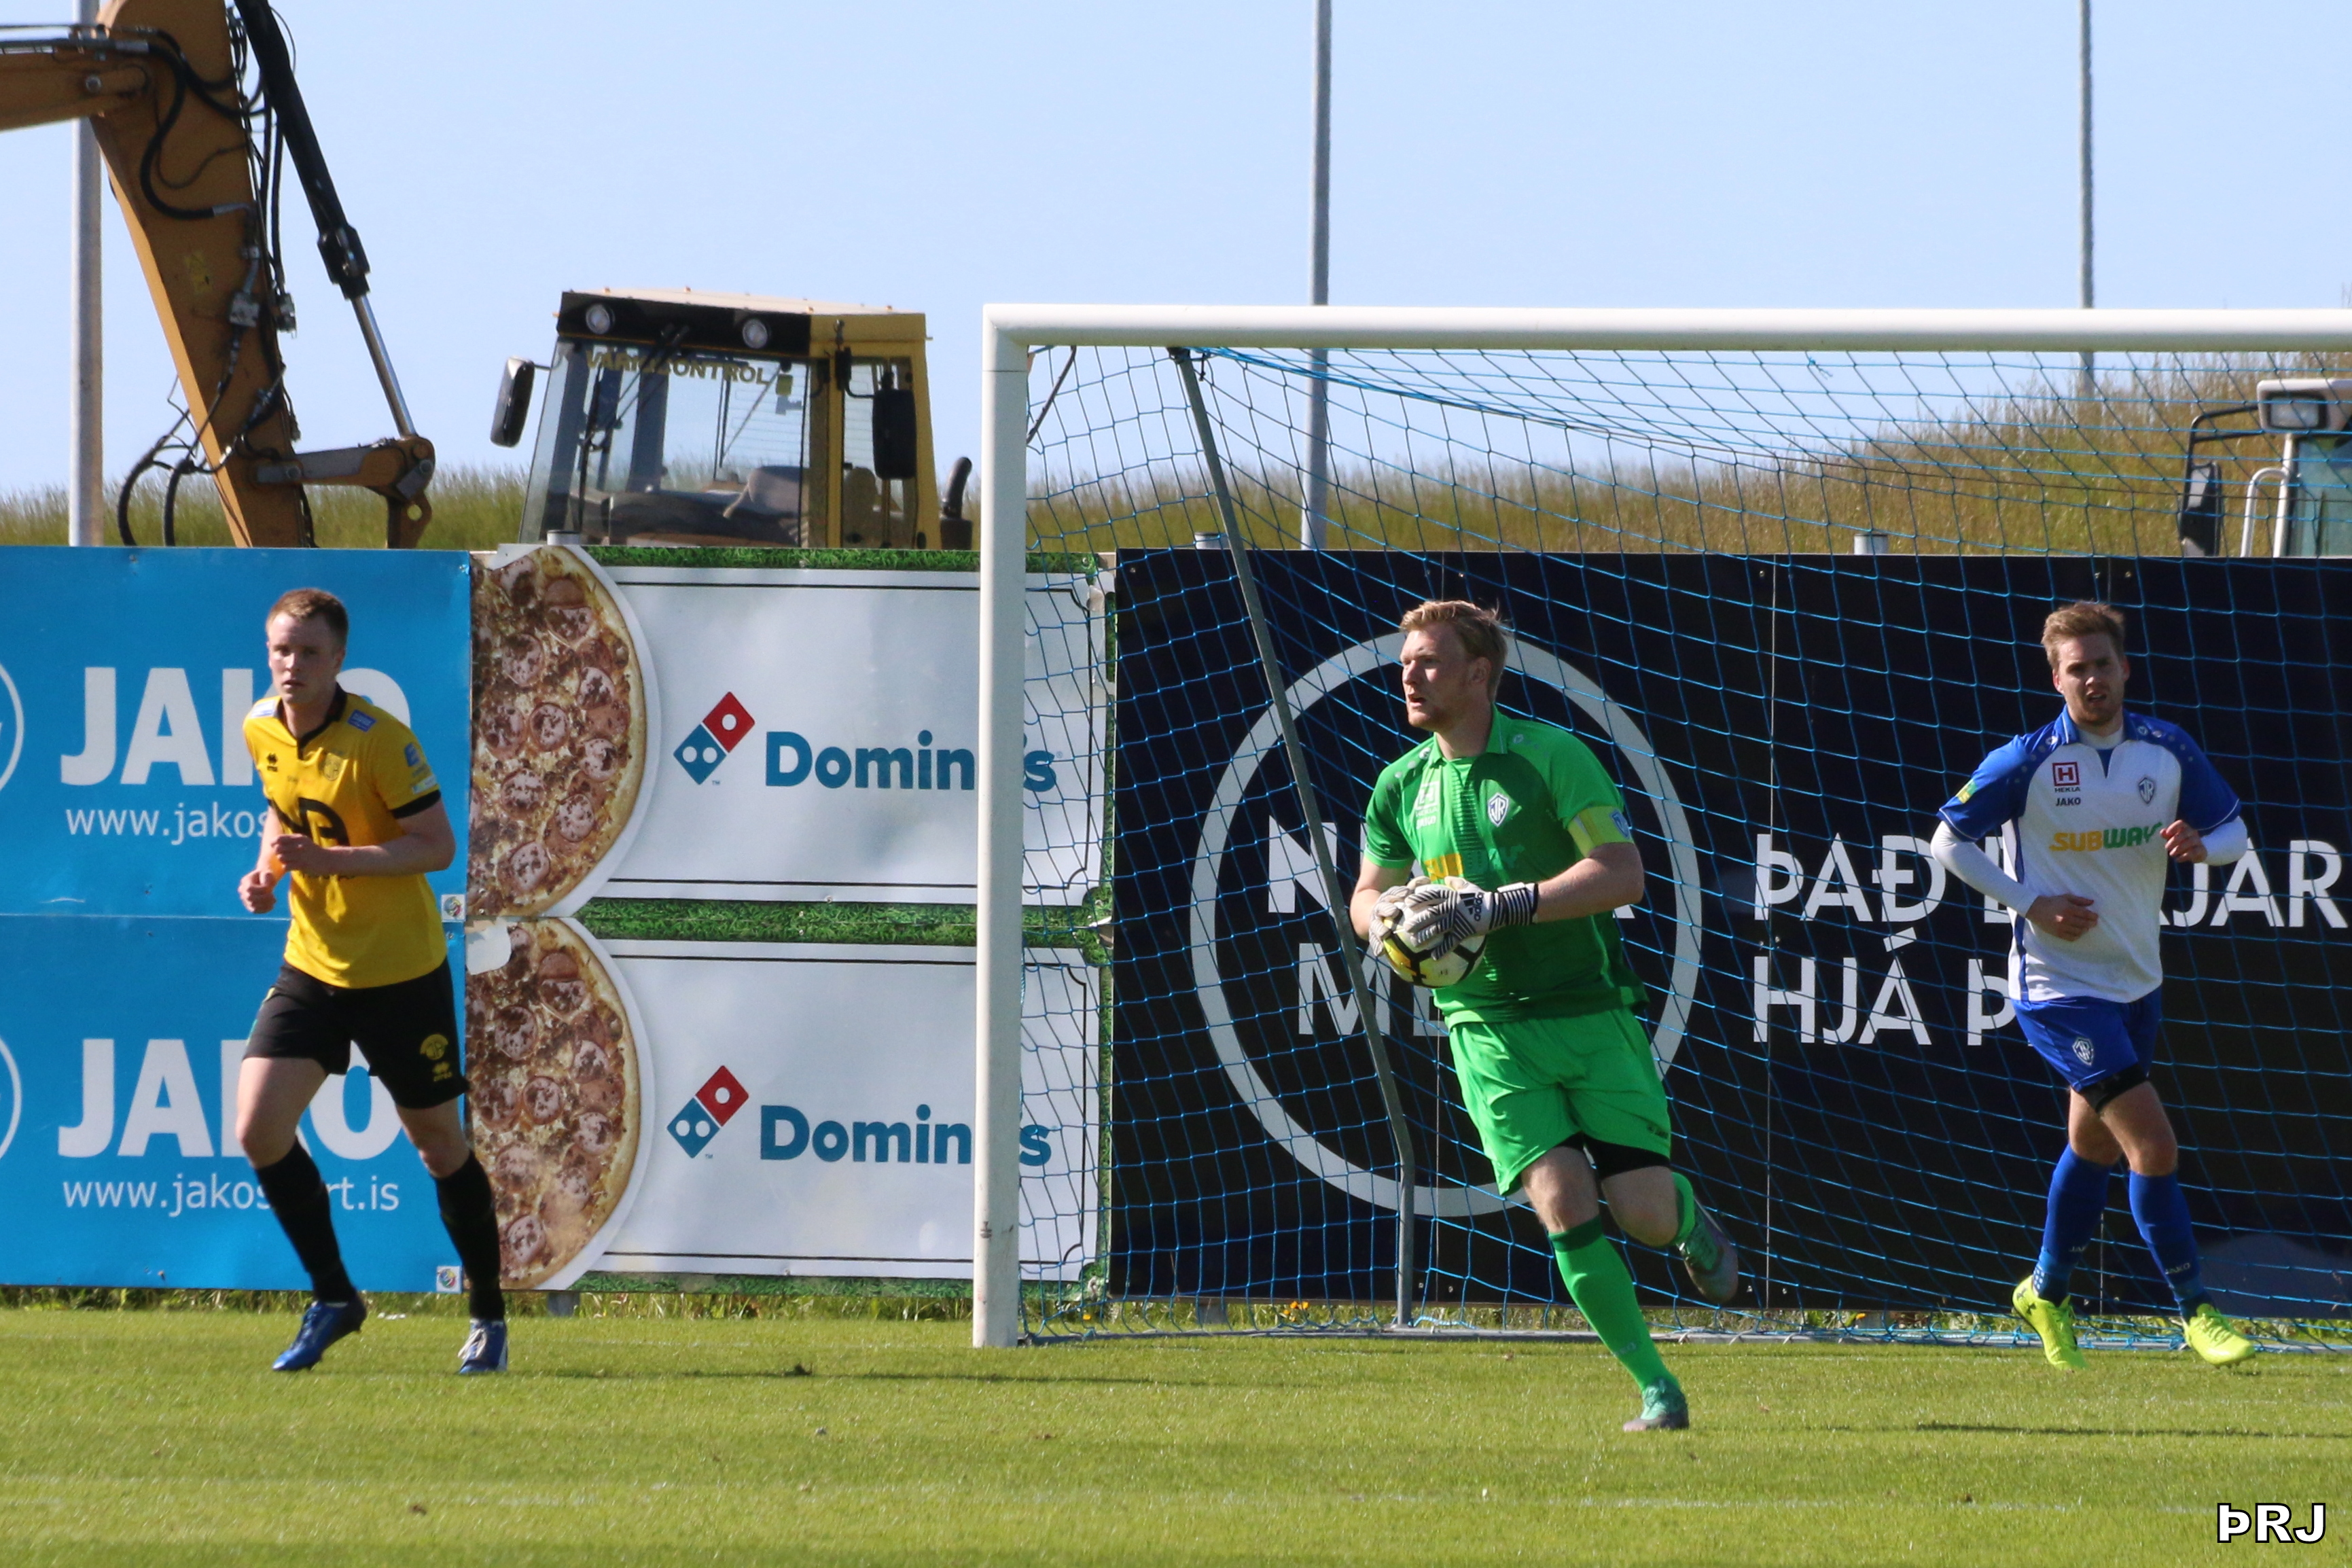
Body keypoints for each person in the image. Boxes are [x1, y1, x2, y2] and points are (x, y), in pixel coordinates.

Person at [1350, 600, 1738, 1433]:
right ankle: (1657, 1388)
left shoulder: (1553, 756)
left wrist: (1500, 906)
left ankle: (1687, 1217)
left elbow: (1623, 874)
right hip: (1486, 1026)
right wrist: (1388, 923)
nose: (1410, 676)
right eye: (1406, 662)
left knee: (1643, 1215)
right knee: (1562, 1201)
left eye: (1428, 662)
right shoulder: (1401, 784)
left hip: (1590, 1011)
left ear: (1478, 673)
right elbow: (1366, 892)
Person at [1932, 601, 2258, 1370]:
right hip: (2058, 986)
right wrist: (2031, 903)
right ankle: (2197, 1312)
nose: (2091, 679)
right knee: (2153, 1144)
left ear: (2125, 668)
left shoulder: (2166, 749)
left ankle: (2045, 1291)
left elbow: (2236, 834)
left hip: (2137, 981)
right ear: (2056, 679)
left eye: (2102, 664)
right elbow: (1949, 841)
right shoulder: (2028, 759)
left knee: (2092, 1144)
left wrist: (2202, 846)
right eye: (2075, 669)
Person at [234, 588, 507, 1374]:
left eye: (309, 652)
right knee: (257, 1128)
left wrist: (331, 860)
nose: (293, 665)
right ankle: (334, 1298)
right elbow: (282, 814)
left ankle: (489, 1315)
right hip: (312, 962)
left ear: (339, 659)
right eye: (282, 649)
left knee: (439, 1146)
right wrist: (266, 873)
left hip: (398, 972)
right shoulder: (260, 725)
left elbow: (435, 846)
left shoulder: (379, 740)